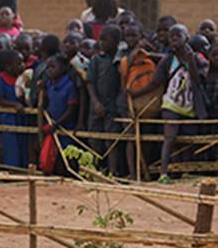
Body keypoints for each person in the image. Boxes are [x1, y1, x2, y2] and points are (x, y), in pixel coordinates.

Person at [130, 24, 209, 181]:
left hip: (190, 104)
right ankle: (164, 173)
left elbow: (199, 79)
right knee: (170, 137)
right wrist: (136, 93)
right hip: (171, 103)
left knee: (189, 140)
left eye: (178, 35)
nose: (173, 39)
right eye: (171, 36)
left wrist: (190, 59)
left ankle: (185, 173)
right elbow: (155, 82)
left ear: (186, 37)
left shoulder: (198, 58)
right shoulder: (168, 60)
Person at [86, 24, 123, 176]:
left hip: (114, 105)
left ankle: (113, 171)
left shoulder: (121, 59)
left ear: (115, 42)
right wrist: (95, 102)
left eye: (105, 40)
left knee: (111, 139)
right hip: (97, 104)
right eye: (100, 39)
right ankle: (94, 169)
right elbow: (89, 82)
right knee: (95, 138)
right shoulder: (96, 60)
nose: (101, 42)